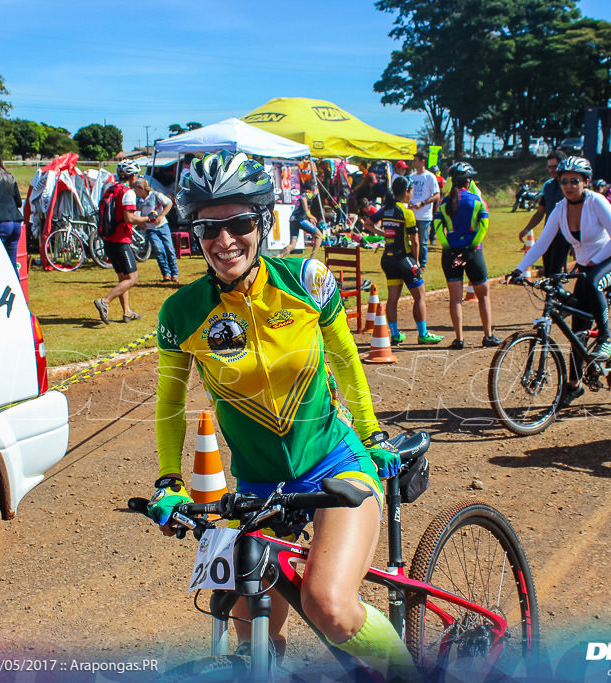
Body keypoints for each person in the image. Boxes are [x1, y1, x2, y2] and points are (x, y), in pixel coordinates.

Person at [148, 150, 419, 680]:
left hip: (334, 467)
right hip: (258, 486)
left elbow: (345, 361)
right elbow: (169, 404)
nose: (224, 241)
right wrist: (167, 481)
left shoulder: (306, 281)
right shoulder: (181, 313)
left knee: (329, 605)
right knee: (249, 626)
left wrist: (372, 433)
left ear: (263, 221)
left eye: (239, 223)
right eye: (208, 228)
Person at [508, 156, 611, 406]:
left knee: (593, 281)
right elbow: (542, 242)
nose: (569, 185)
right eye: (564, 181)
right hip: (586, 271)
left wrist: (594, 261)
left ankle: (606, 339)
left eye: (575, 180)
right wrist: (519, 270)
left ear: (586, 181)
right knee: (578, 331)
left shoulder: (597, 202)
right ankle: (574, 385)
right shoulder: (560, 208)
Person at [435, 162, 500, 349]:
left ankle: (459, 338)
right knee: (483, 296)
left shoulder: (443, 202)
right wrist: (470, 248)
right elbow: (484, 227)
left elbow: (439, 229)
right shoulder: (478, 201)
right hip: (473, 254)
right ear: (469, 181)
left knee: (455, 299)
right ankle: (488, 335)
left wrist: (449, 248)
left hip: (450, 254)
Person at [378, 175, 444, 345]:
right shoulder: (407, 213)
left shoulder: (386, 209)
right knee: (420, 296)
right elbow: (415, 241)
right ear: (406, 192)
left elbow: (369, 223)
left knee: (393, 298)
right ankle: (423, 334)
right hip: (404, 259)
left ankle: (395, 334)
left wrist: (383, 233)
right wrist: (417, 262)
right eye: (412, 190)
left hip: (388, 259)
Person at [94, 160, 143, 323]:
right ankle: (105, 301)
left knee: (123, 278)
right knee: (132, 279)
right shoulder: (128, 192)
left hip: (109, 240)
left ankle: (127, 312)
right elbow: (129, 218)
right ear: (133, 176)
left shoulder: (112, 189)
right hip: (121, 241)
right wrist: (146, 218)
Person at [519, 153, 569, 276]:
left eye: (555, 166)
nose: (552, 170)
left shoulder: (569, 186)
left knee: (555, 273)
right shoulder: (548, 186)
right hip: (549, 234)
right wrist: (527, 229)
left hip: (564, 234)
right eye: (549, 167)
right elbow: (541, 211)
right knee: (548, 272)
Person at [133, 177, 177, 282]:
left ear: (142, 188)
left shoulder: (156, 196)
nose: (135, 191)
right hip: (150, 229)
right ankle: (166, 273)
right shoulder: (138, 201)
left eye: (136, 189)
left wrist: (161, 215)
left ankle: (174, 273)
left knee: (169, 249)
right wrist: (140, 222)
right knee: (158, 249)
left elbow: (169, 203)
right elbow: (136, 213)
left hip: (163, 226)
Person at [407, 152, 441, 270]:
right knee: (411, 239)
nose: (413, 163)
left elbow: (437, 195)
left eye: (416, 160)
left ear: (422, 161)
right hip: (412, 214)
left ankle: (422, 264)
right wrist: (409, 202)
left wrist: (422, 203)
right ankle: (412, 261)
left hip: (424, 215)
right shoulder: (412, 177)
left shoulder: (430, 177)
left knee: (422, 241)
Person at [279, 178, 321, 259]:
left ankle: (278, 257)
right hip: (300, 220)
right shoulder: (309, 194)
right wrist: (308, 215)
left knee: (292, 245)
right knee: (319, 235)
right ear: (313, 189)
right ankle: (312, 259)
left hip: (293, 220)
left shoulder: (307, 194)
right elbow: (303, 199)